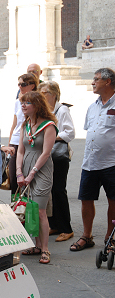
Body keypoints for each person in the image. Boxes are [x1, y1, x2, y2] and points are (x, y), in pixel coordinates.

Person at [71, 68, 115, 251]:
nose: (92, 82)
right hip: (90, 161)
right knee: (86, 199)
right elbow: (91, 131)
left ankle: (111, 237)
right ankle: (86, 236)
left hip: (111, 162)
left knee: (113, 201)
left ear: (108, 82)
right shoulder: (92, 106)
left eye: (96, 79)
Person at [17, 91, 58, 264]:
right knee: (31, 208)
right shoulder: (25, 124)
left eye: (27, 103)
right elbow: (20, 150)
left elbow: (46, 152)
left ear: (37, 105)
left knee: (40, 210)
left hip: (41, 171)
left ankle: (46, 249)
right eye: (22, 102)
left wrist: (33, 172)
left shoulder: (49, 126)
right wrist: (19, 172)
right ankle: (37, 245)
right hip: (26, 169)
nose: (23, 105)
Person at [38, 81, 75, 242]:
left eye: (45, 92)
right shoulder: (44, 111)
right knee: (49, 191)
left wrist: (52, 137)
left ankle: (66, 228)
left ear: (54, 94)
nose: (42, 95)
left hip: (58, 156)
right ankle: (54, 225)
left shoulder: (62, 109)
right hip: (46, 155)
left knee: (59, 190)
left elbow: (70, 132)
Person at [2, 73, 39, 194]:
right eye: (19, 84)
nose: (20, 87)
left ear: (32, 85)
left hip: (28, 140)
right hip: (15, 141)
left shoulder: (37, 102)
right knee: (13, 176)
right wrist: (9, 144)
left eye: (23, 84)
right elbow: (14, 124)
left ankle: (27, 207)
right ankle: (15, 207)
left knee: (27, 174)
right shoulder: (17, 102)